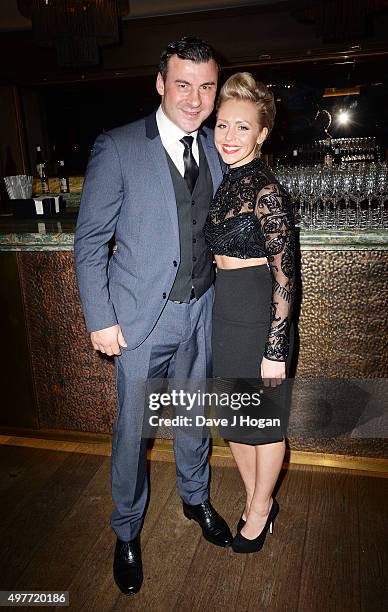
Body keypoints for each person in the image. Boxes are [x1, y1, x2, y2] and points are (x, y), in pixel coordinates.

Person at [74, 37, 233, 597]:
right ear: (160, 83)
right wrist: (100, 316)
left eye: (207, 86)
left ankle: (195, 498)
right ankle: (126, 531)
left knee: (193, 414)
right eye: (183, 84)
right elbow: (90, 241)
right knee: (133, 431)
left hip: (203, 310)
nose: (195, 98)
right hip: (141, 317)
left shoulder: (219, 146)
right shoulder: (117, 147)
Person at [204, 72, 296, 553]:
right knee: (236, 421)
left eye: (243, 127)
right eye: (223, 125)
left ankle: (260, 509)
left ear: (262, 134)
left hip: (262, 318)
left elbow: (286, 277)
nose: (229, 137)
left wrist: (275, 347)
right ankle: (254, 495)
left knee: (264, 425)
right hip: (226, 316)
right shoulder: (224, 185)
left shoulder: (268, 193)